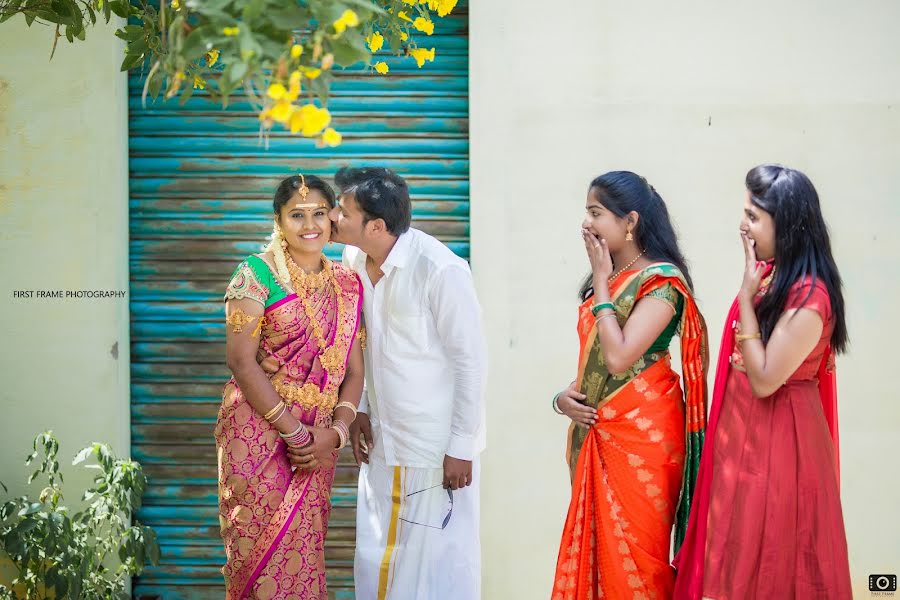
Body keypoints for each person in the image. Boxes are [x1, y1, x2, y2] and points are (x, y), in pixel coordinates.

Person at [673, 164, 851, 599]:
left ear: (785, 225)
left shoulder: (810, 297)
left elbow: (767, 378)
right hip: (745, 439)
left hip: (781, 441)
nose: (743, 224)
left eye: (754, 216)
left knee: (772, 551)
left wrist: (747, 301)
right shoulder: (773, 277)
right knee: (737, 549)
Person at [328, 166, 487, 600]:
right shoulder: (353, 260)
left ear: (375, 226)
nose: (332, 218)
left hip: (434, 452)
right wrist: (358, 410)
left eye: (342, 212)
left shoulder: (441, 270)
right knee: (378, 560)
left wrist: (461, 446)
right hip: (382, 444)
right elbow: (359, 342)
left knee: (436, 570)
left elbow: (470, 362)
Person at [551, 171, 709, 600]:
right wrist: (562, 398)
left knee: (639, 558)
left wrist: (601, 281)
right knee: (600, 554)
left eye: (596, 212)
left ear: (630, 221)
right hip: (598, 429)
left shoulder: (661, 283)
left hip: (644, 438)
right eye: (586, 211)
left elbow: (621, 355)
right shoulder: (610, 281)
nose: (586, 222)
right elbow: (598, 363)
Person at [215, 174, 364, 599]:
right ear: (279, 220)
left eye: (319, 213)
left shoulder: (348, 283)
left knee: (304, 550)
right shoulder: (255, 275)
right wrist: (293, 431)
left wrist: (332, 435)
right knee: (255, 549)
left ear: (333, 217)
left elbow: (354, 371)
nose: (310, 224)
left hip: (317, 439)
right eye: (297, 215)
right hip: (258, 432)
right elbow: (241, 361)